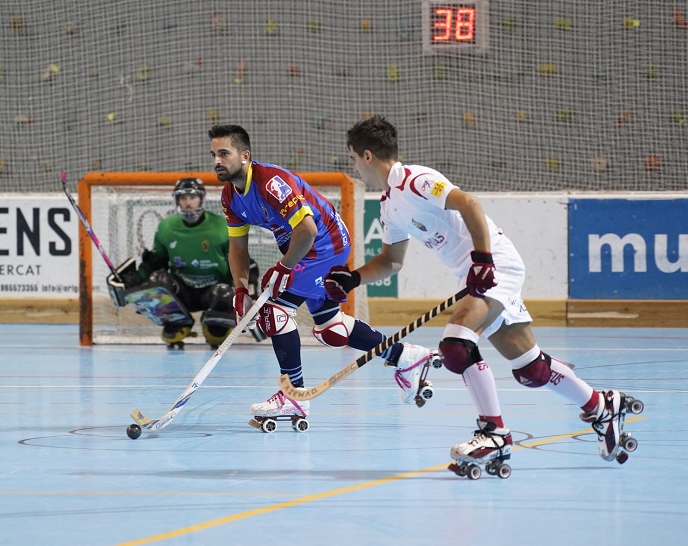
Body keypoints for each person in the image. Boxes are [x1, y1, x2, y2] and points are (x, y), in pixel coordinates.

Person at [325, 115, 643, 471]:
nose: (354, 166)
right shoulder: (389, 206)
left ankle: (494, 434)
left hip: (495, 265)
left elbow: (470, 203)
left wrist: (483, 259)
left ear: (367, 155)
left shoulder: (414, 180)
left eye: (353, 158)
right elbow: (391, 261)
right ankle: (602, 405)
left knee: (456, 345)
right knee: (531, 368)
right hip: (475, 274)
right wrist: (353, 278)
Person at [208, 124, 436, 424]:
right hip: (303, 247)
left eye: (224, 153)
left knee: (274, 311)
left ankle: (293, 396)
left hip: (323, 244)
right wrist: (240, 289)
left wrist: (284, 266)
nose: (216, 161)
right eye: (213, 154)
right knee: (332, 328)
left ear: (245, 155)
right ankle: (406, 356)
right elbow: (238, 249)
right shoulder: (230, 197)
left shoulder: (271, 182)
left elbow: (307, 229)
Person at [106, 177, 254, 348]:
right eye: (183, 198)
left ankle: (215, 328)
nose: (188, 202)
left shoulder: (221, 226)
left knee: (224, 295)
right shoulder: (167, 227)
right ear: (177, 200)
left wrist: (250, 288)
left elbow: (241, 260)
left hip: (214, 291)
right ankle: (177, 323)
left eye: (193, 197)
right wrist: (135, 280)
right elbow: (155, 261)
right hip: (183, 292)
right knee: (157, 281)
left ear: (201, 198)